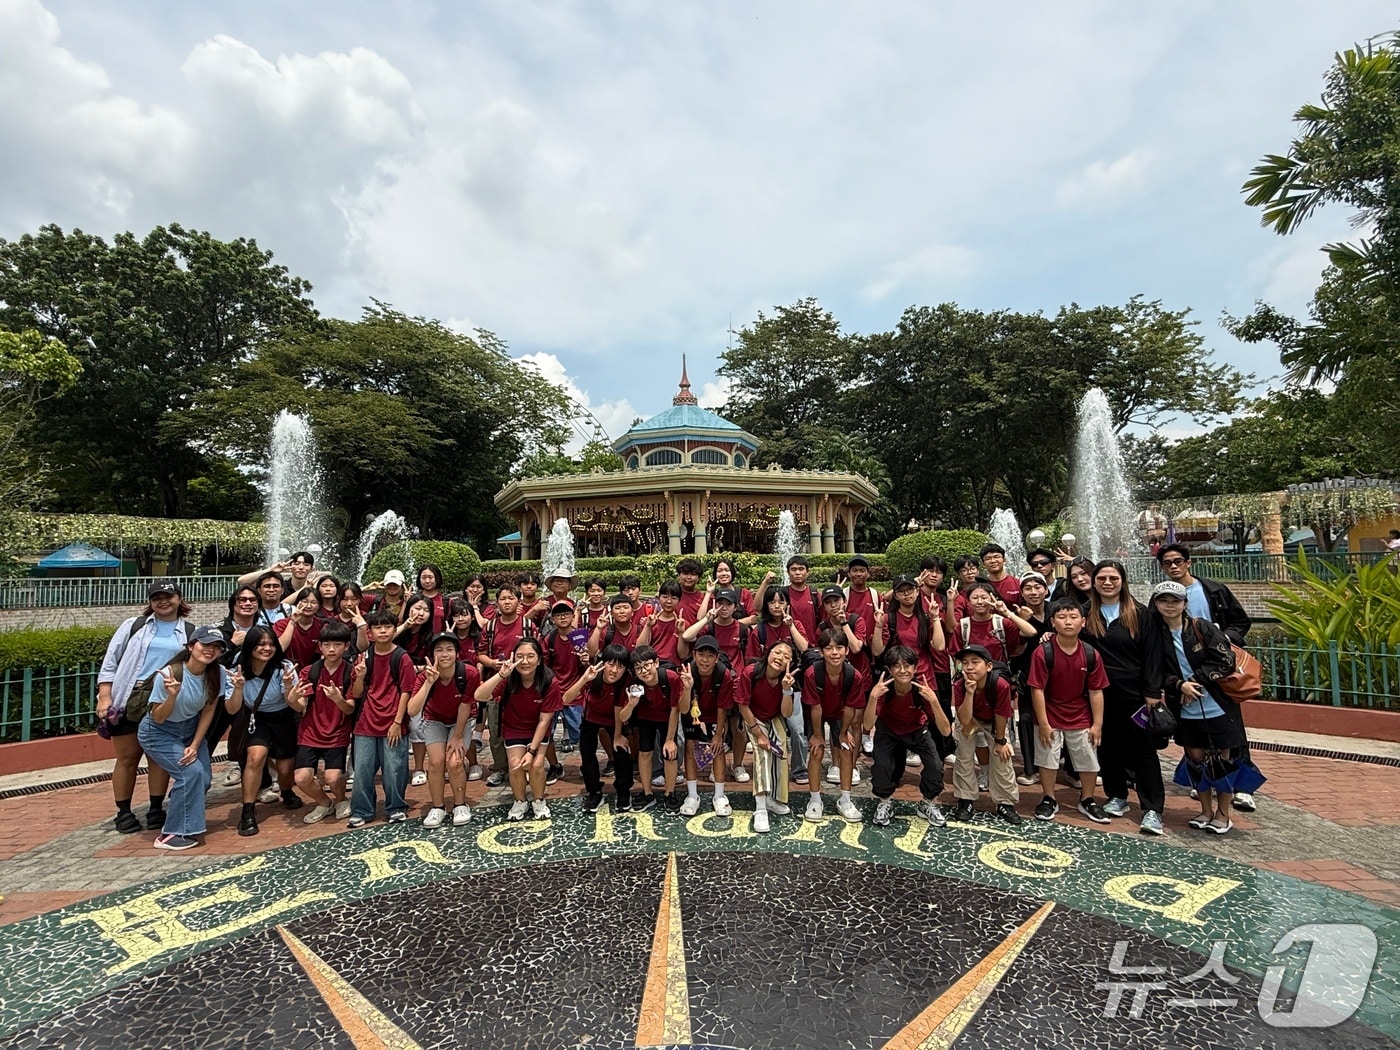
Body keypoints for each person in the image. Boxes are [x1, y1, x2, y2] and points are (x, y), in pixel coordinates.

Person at [1149, 580, 1264, 836]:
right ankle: (1204, 810)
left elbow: (1225, 660)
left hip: (1217, 706)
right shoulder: (1157, 635)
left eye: (1175, 601)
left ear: (1184, 604)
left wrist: (1194, 681)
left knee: (1222, 761)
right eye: (1164, 601)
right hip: (1185, 708)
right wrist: (1179, 686)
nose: (1170, 605)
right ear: (1156, 604)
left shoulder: (1202, 628)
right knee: (1195, 759)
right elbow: (1157, 672)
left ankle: (1223, 814)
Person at [95, 580, 192, 833]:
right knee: (127, 757)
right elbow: (110, 663)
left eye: (168, 596)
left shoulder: (190, 632)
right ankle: (124, 812)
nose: (163, 601)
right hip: (130, 697)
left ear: (179, 599)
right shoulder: (134, 626)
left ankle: (155, 808)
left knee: (157, 757)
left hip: (164, 699)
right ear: (150, 602)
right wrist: (105, 695)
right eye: (156, 597)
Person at [1083, 559, 1166, 834]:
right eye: (1102, 578)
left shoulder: (1141, 614)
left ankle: (1152, 808)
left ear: (1122, 581)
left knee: (1143, 750)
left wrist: (1152, 691)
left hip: (1135, 695)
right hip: (1100, 694)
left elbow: (1154, 654)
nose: (1107, 583)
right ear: (1094, 582)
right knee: (1107, 747)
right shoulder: (1086, 614)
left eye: (1113, 578)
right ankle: (1117, 795)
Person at [135, 625, 231, 850]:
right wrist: (172, 696)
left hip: (190, 729)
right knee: (191, 774)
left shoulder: (218, 673)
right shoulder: (170, 674)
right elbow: (158, 718)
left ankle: (182, 802)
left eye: (216, 647)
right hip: (158, 731)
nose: (210, 650)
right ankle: (172, 834)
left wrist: (196, 744)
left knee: (203, 779)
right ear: (191, 646)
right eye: (205, 644)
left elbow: (209, 710)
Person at [1027, 599, 1110, 824]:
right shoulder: (1043, 652)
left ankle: (1088, 799)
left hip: (1080, 714)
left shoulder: (1091, 653)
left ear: (1083, 622)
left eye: (1073, 617)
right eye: (1062, 618)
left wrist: (1097, 724)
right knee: (1047, 759)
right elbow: (1037, 690)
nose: (1068, 622)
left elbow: (1096, 690)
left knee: (1088, 759)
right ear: (1052, 622)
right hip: (1050, 713)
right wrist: (1043, 723)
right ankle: (1048, 797)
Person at [229, 625, 306, 837]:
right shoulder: (239, 667)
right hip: (255, 718)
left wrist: (289, 687)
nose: (267, 648)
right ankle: (247, 809)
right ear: (250, 646)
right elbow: (232, 708)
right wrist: (237, 688)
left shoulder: (285, 667)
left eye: (271, 644)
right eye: (261, 644)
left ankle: (286, 791)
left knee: (285, 769)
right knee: (256, 757)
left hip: (283, 717)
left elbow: (298, 706)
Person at [473, 637, 562, 821]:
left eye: (531, 656)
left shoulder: (549, 681)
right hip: (513, 728)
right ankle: (520, 800)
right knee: (515, 766)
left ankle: (538, 800)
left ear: (539, 659)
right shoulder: (509, 678)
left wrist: (531, 751)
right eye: (520, 656)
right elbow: (480, 696)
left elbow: (544, 721)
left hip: (538, 728)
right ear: (514, 658)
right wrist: (501, 674)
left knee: (536, 765)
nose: (526, 661)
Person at [865, 645, 951, 828]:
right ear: (890, 669)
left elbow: (945, 731)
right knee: (881, 765)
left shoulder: (922, 689)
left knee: (935, 764)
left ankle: (926, 803)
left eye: (907, 665)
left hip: (916, 729)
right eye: (896, 666)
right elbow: (866, 725)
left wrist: (934, 701)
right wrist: (872, 698)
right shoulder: (883, 689)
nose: (903, 671)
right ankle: (885, 801)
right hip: (888, 730)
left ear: (915, 667)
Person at [346, 610, 416, 827]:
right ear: (371, 632)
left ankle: (396, 807)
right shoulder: (364, 656)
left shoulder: (401, 657)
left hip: (393, 721)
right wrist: (359, 675)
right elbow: (356, 693)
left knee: (395, 768)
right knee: (363, 770)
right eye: (378, 627)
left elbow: (406, 691)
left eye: (387, 627)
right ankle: (362, 810)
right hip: (366, 721)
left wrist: (397, 722)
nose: (383, 631)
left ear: (395, 629)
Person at [407, 632, 480, 828]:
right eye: (439, 650)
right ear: (432, 655)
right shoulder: (424, 677)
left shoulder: (470, 673)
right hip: (434, 719)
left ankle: (460, 804)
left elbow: (466, 705)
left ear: (457, 653)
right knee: (436, 762)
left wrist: (457, 736)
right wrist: (429, 681)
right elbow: (412, 710)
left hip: (461, 719)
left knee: (455, 762)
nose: (444, 654)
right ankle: (438, 806)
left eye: (449, 649)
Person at [948, 645, 1020, 824]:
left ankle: (1005, 801)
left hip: (995, 721)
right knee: (964, 757)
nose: (969, 667)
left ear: (988, 666)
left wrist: (1001, 740)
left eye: (975, 662)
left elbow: (1001, 715)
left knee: (1002, 757)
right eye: (964, 663)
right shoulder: (959, 685)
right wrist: (970, 693)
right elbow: (964, 720)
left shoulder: (999, 684)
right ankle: (965, 799)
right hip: (970, 716)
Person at [294, 621, 356, 824]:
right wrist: (290, 693)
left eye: (337, 644)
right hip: (310, 732)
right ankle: (324, 803)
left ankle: (341, 799)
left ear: (346, 646)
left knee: (332, 778)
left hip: (337, 733)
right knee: (301, 777)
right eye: (326, 644)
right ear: (319, 646)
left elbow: (350, 708)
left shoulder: (351, 671)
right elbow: (299, 705)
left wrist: (338, 699)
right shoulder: (310, 671)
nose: (331, 649)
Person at [802, 628, 865, 822]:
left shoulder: (854, 676)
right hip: (816, 712)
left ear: (846, 650)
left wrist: (844, 733)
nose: (834, 652)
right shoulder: (812, 673)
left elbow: (850, 708)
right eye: (828, 648)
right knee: (817, 750)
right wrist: (818, 735)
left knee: (846, 749)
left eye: (839, 647)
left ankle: (845, 800)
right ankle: (814, 800)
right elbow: (815, 707)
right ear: (821, 652)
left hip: (840, 713)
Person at [478, 584, 538, 787]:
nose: (507, 602)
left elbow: (538, 653)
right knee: (495, 728)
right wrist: (493, 663)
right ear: (497, 603)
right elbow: (481, 654)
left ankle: (528, 766)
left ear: (518, 601)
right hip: (497, 685)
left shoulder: (528, 626)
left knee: (526, 727)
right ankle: (501, 767)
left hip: (524, 686)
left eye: (511, 598)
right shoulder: (491, 627)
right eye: (503, 598)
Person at [735, 639, 797, 833]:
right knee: (762, 754)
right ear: (768, 653)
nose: (780, 658)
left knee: (780, 752)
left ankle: (773, 799)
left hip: (774, 716)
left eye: (787, 657)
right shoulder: (751, 672)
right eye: (777, 652)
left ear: (791, 664)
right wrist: (758, 733)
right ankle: (760, 808)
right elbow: (743, 705)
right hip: (752, 716)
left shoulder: (787, 680)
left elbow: (786, 713)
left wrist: (787, 689)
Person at [565, 644, 632, 812]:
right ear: (603, 663)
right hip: (591, 718)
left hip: (615, 718)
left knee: (621, 752)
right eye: (611, 664)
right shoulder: (593, 674)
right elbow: (566, 699)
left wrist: (617, 735)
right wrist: (583, 680)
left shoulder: (626, 680)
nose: (615, 670)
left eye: (620, 666)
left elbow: (618, 708)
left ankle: (623, 791)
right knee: (587, 754)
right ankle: (594, 792)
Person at [622, 644, 684, 812]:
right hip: (645, 717)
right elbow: (623, 717)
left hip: (667, 717)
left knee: (670, 753)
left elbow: (675, 709)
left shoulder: (671, 678)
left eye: (647, 665)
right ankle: (647, 793)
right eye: (638, 668)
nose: (644, 671)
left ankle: (669, 794)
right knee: (644, 752)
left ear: (656, 663)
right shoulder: (634, 683)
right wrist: (631, 704)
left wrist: (670, 739)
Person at [680, 636, 737, 816]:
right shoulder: (685, 672)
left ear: (717, 658)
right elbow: (681, 708)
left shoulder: (724, 674)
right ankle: (692, 795)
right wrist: (687, 687)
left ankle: (719, 796)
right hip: (691, 713)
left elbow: (722, 707)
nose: (705, 660)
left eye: (710, 655)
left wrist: (718, 734)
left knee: (717, 749)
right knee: (690, 748)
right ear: (694, 655)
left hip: (714, 713)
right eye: (701, 654)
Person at [276, 586, 325, 668]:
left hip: (312, 672)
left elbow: (323, 654)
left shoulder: (322, 625)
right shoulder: (281, 624)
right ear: (297, 603)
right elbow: (280, 648)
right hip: (286, 670)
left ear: (319, 606)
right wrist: (292, 622)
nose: (308, 606)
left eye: (313, 602)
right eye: (304, 601)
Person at [237, 551, 322, 591]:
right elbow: (242, 581)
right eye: (296, 563)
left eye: (306, 564)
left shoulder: (314, 590)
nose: (301, 567)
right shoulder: (279, 587)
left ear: (312, 569)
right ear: (290, 566)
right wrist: (270, 570)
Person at [978, 543, 1024, 609]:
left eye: (997, 557)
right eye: (988, 558)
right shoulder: (980, 586)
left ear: (1004, 560)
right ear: (983, 564)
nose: (993, 561)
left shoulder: (1018, 583)